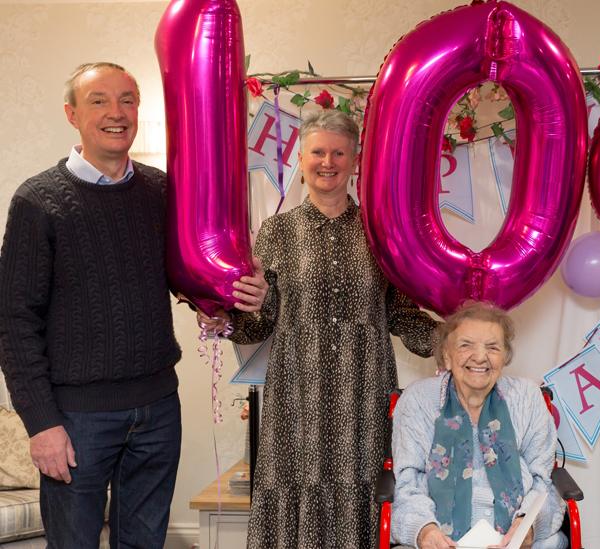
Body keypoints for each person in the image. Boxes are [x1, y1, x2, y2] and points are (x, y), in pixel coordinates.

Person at [0, 62, 268, 548]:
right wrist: (41, 424)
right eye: (98, 100)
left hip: (158, 409)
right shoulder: (37, 201)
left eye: (127, 100)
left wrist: (230, 299)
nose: (116, 113)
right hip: (77, 418)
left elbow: (182, 279)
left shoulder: (162, 191)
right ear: (72, 114)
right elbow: (14, 323)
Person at [198, 108, 439, 548]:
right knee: (296, 485)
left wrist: (453, 342)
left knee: (365, 488)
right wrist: (223, 320)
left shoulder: (382, 232)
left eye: (338, 153)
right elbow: (261, 320)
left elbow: (400, 313)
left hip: (364, 394)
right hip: (296, 396)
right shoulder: (277, 231)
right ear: (302, 159)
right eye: (318, 152)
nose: (327, 162)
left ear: (355, 160)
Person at [391, 301, 566, 549]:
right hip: (439, 538)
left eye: (493, 347)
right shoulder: (418, 401)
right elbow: (406, 483)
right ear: (447, 356)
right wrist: (426, 533)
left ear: (505, 357)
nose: (481, 357)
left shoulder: (527, 397)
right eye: (465, 345)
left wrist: (525, 529)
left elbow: (544, 480)